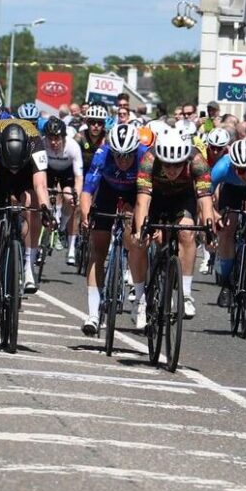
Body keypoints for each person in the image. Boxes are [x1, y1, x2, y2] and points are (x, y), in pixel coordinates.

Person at [132, 128, 215, 319]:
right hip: (156, 198)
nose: (171, 170)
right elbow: (142, 201)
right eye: (167, 165)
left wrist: (210, 230)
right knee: (141, 238)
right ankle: (140, 296)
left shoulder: (197, 161)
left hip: (182, 199)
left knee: (187, 232)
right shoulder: (149, 159)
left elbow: (205, 200)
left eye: (177, 165)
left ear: (185, 160)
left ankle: (185, 295)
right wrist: (141, 229)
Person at [0, 119, 52, 318]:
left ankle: (28, 265)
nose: (14, 169)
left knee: (32, 202)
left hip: (26, 176)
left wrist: (46, 210)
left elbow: (41, 185)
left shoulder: (36, 143)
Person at [78, 123, 149, 334]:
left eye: (128, 156)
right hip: (108, 191)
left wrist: (138, 224)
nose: (123, 160)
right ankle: (92, 314)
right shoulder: (102, 155)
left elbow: (146, 197)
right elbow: (87, 190)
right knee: (98, 249)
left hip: (136, 194)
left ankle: (139, 299)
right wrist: (85, 214)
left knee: (134, 242)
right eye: (118, 155)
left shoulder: (145, 157)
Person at [210, 138, 246, 307]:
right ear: (233, 166)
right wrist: (214, 215)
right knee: (227, 230)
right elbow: (204, 196)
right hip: (231, 192)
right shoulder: (222, 167)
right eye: (241, 171)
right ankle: (226, 284)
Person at [41, 117, 84, 262]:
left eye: (57, 138)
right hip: (48, 171)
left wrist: (76, 195)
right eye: (50, 138)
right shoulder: (41, 144)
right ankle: (42, 238)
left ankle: (62, 227)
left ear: (63, 137)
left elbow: (79, 177)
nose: (53, 142)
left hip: (67, 173)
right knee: (42, 197)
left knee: (68, 198)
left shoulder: (73, 147)